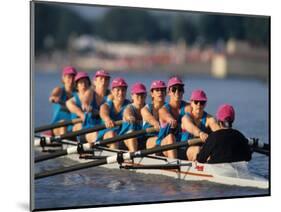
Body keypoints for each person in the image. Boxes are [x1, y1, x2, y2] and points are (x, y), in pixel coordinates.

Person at [157, 76, 191, 158]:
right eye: (174, 89)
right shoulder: (163, 110)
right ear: (168, 92)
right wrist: (171, 119)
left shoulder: (188, 107)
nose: (177, 92)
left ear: (183, 92)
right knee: (171, 137)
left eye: (180, 89)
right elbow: (166, 115)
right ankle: (174, 166)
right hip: (164, 146)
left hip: (182, 146)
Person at [182, 89, 220, 161]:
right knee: (197, 150)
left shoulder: (209, 118)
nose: (199, 105)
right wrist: (200, 133)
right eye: (196, 102)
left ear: (205, 104)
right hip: (184, 150)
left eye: (202, 102)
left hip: (202, 152)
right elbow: (190, 126)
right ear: (191, 103)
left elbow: (217, 129)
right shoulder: (186, 117)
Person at [95, 77, 131, 149]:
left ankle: (132, 156)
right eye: (118, 90)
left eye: (123, 90)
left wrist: (130, 117)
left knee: (131, 135)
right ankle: (115, 157)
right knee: (112, 135)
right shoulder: (107, 105)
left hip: (121, 135)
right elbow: (103, 111)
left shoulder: (129, 105)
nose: (120, 93)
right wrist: (107, 119)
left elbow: (130, 111)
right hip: (107, 134)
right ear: (112, 91)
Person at [82, 69, 112, 143]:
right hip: (89, 129)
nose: (104, 81)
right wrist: (86, 106)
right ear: (95, 82)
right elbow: (85, 101)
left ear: (108, 83)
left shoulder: (111, 95)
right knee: (95, 134)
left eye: (106, 79)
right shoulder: (90, 93)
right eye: (101, 79)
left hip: (105, 128)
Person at [49, 66, 77, 135]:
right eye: (69, 77)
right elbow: (53, 95)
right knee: (63, 123)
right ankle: (63, 143)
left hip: (72, 125)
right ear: (63, 78)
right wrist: (53, 98)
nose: (71, 80)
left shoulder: (78, 94)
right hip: (57, 126)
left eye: (73, 77)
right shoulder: (59, 90)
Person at [121, 83, 147, 152]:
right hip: (125, 140)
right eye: (137, 94)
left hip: (142, 139)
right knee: (132, 133)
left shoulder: (148, 109)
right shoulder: (129, 108)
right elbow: (127, 113)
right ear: (132, 96)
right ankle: (133, 156)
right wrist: (130, 117)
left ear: (145, 96)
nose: (140, 97)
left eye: (142, 94)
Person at [142, 80, 167, 149]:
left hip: (165, 140)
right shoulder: (146, 108)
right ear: (152, 93)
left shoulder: (169, 107)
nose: (160, 92)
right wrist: (155, 123)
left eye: (162, 90)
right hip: (148, 140)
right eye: (157, 90)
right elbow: (148, 116)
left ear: (166, 93)